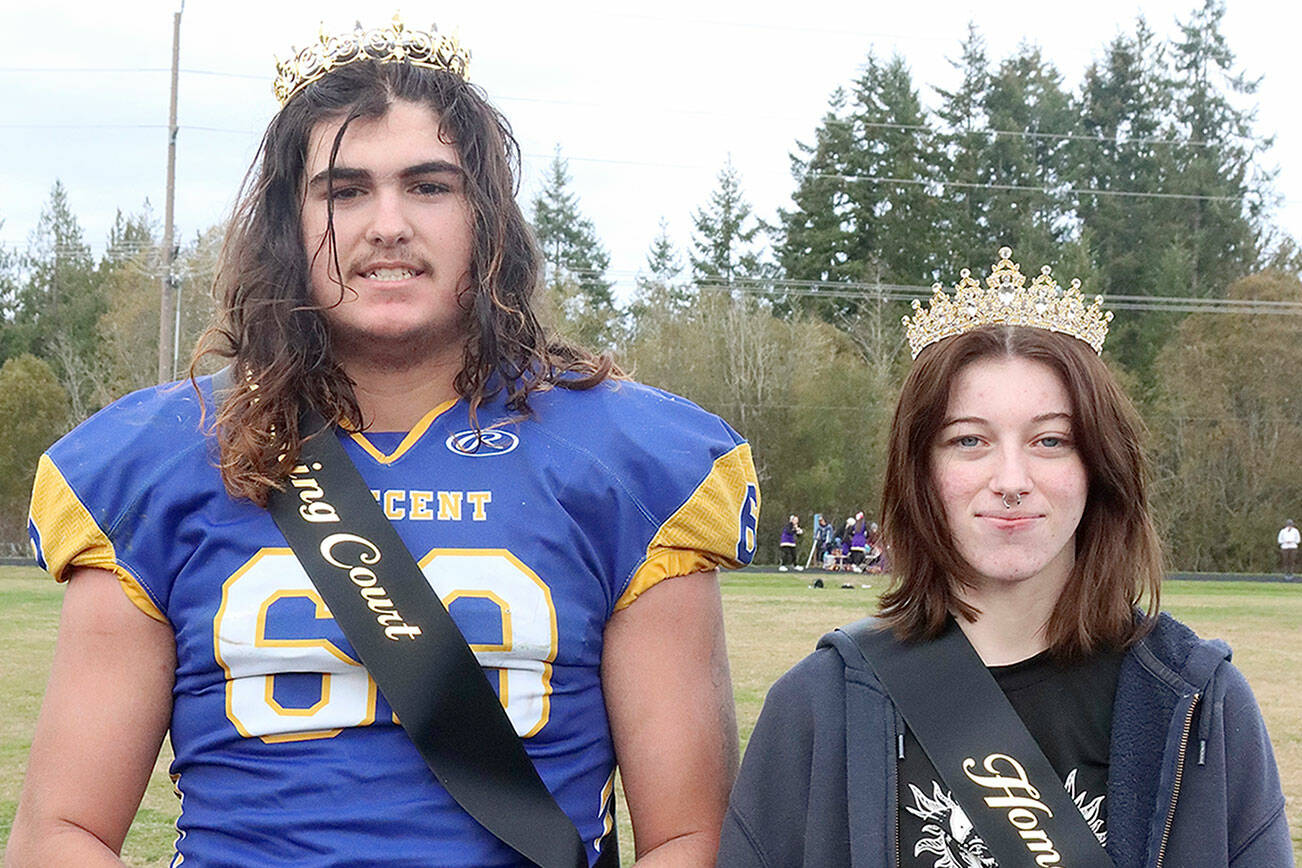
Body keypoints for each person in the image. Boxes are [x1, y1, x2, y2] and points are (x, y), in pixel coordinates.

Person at [7, 19, 759, 868]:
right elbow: (60, 835)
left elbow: (690, 839)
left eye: (430, 186)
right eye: (345, 190)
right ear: (290, 224)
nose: (388, 224)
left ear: (488, 218)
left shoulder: (625, 460)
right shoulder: (160, 459)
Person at [718, 248, 1291, 867]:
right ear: (920, 472)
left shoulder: (1201, 704)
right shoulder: (817, 705)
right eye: (970, 440)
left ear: (1099, 467)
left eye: (1050, 441)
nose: (1011, 478)